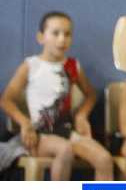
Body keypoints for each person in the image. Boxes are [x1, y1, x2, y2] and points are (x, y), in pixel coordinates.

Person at [0, 11, 115, 181]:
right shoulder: (31, 66)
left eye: (67, 34)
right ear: (41, 37)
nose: (62, 39)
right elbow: (6, 100)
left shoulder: (73, 66)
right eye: (55, 33)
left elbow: (91, 94)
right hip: (39, 134)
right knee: (65, 150)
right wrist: (24, 122)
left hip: (66, 132)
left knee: (104, 159)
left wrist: (82, 115)